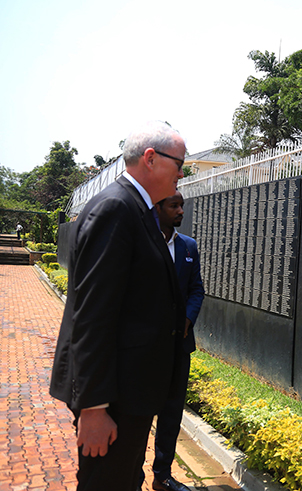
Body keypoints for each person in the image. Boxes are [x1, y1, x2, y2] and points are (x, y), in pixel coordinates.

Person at [50, 121, 186, 491]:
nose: (182, 174)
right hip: (112, 400)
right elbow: (93, 314)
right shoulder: (116, 208)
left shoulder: (138, 210)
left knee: (124, 480)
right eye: (180, 164)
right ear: (151, 159)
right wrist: (94, 409)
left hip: (129, 393)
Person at [138, 191, 204, 491]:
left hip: (180, 345)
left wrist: (187, 320)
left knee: (171, 411)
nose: (180, 211)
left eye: (182, 206)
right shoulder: (141, 243)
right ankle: (132, 477)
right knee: (139, 413)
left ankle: (162, 475)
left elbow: (196, 290)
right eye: (174, 206)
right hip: (146, 347)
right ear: (158, 208)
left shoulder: (188, 246)